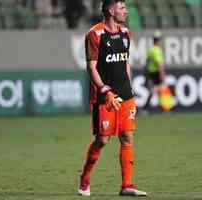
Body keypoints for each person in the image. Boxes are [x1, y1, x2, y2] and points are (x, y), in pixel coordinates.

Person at [78, 0, 147, 197]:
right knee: (102, 140)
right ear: (111, 10)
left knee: (127, 136)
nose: (126, 11)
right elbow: (91, 68)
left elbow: (125, 63)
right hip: (105, 96)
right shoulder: (95, 34)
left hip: (125, 95)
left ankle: (126, 185)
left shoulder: (126, 34)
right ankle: (84, 178)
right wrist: (105, 91)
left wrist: (130, 88)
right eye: (122, 7)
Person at [142, 30, 167, 112]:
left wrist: (145, 74)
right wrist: (163, 76)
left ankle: (161, 107)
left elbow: (146, 63)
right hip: (155, 74)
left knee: (154, 92)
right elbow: (160, 65)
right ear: (158, 41)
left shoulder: (151, 50)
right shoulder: (157, 51)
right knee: (156, 90)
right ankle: (163, 108)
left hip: (150, 73)